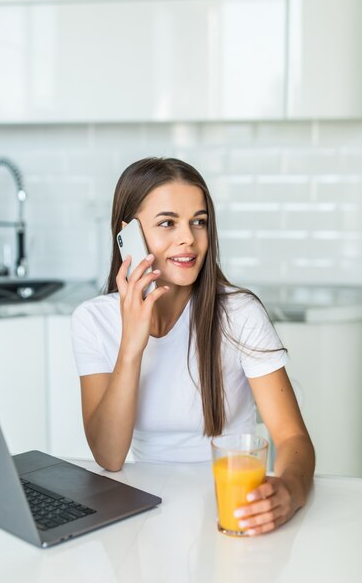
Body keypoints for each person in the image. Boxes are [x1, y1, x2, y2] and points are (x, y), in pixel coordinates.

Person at [71, 157, 315, 536]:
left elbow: (292, 437)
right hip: (144, 514)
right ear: (128, 235)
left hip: (233, 508)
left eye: (198, 222)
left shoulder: (240, 313)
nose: (188, 238)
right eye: (168, 223)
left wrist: (291, 490)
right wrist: (132, 346)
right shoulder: (93, 321)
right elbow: (108, 456)